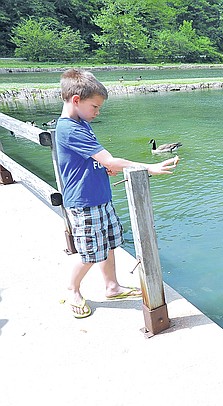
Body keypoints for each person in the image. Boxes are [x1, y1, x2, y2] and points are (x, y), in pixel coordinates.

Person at [55, 68, 179, 318]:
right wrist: (149, 167)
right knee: (91, 253)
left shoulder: (81, 122)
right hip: (83, 201)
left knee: (109, 244)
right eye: (95, 106)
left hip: (100, 195)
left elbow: (95, 159)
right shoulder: (70, 129)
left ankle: (112, 286)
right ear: (76, 101)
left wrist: (102, 167)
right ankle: (73, 288)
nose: (97, 112)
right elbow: (111, 159)